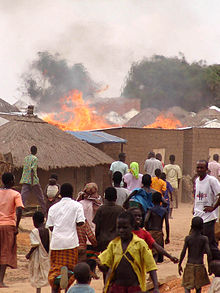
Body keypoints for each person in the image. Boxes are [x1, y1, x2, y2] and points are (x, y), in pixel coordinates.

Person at [98, 211, 159, 293]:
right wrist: (100, 265)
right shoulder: (113, 244)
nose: (121, 230)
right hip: (116, 288)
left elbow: (151, 266)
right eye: (119, 227)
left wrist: (156, 287)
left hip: (134, 288)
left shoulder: (140, 244)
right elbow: (107, 267)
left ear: (132, 227)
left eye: (125, 227)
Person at [46, 183, 85, 293]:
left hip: (56, 243)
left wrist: (59, 230)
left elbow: (51, 226)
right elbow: (81, 222)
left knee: (54, 269)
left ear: (60, 194)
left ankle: (55, 284)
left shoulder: (53, 208)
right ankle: (67, 284)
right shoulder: (77, 206)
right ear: (72, 193)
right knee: (72, 269)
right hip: (71, 243)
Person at [0, 172, 23, 288]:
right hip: (8, 225)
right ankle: (0, 281)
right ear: (10, 182)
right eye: (13, 179)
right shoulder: (16, 194)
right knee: (5, 252)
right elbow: (19, 209)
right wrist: (16, 226)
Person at [193, 160, 220, 259]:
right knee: (195, 243)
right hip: (197, 216)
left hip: (208, 218)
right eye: (198, 168)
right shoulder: (197, 180)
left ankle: (216, 266)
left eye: (202, 168)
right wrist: (194, 208)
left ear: (206, 169)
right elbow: (197, 196)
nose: (199, 170)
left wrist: (213, 207)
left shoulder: (211, 180)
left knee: (210, 245)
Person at [178, 217, 211, 293]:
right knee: (198, 288)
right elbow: (209, 253)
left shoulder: (188, 238)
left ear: (191, 227)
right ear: (202, 227)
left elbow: (183, 252)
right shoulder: (204, 239)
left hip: (189, 265)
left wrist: (179, 264)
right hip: (200, 265)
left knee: (187, 287)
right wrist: (209, 267)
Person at [93, 187, 124, 252]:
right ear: (116, 197)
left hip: (103, 241)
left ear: (105, 197)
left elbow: (97, 227)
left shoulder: (101, 209)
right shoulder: (120, 210)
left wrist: (97, 239)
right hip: (117, 240)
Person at [26, 211, 50, 293]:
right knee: (46, 272)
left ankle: (38, 291)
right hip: (47, 254)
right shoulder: (48, 230)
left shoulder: (35, 231)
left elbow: (35, 244)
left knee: (37, 273)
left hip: (37, 255)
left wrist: (29, 254)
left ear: (34, 221)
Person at [20, 146, 46, 215]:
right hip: (33, 181)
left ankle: (19, 212)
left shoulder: (26, 158)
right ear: (36, 151)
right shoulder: (35, 159)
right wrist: (31, 182)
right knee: (40, 197)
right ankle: (45, 211)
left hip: (25, 180)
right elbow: (32, 170)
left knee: (22, 198)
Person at [145, 192, 170, 263]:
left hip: (151, 232)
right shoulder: (164, 211)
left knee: (151, 253)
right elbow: (167, 225)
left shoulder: (150, 210)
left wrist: (147, 228)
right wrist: (167, 237)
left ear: (152, 201)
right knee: (160, 256)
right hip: (159, 233)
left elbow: (146, 220)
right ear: (161, 201)